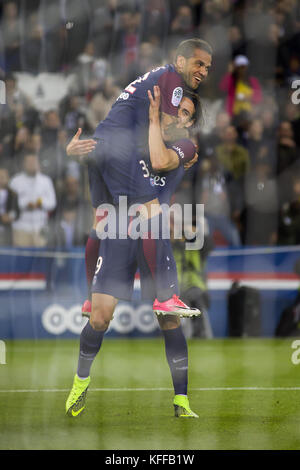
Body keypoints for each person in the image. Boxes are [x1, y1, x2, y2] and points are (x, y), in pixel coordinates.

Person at [65, 85, 202, 419]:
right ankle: (80, 383)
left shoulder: (186, 147)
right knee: (99, 318)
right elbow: (96, 176)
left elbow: (158, 160)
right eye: (176, 108)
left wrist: (154, 120)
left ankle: (181, 401)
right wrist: (76, 152)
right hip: (117, 232)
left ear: (188, 124)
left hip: (153, 235)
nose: (178, 116)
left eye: (186, 114)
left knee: (168, 320)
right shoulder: (126, 140)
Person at [9, 153, 56, 247]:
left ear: (38, 164)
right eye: (29, 162)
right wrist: (26, 204)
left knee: (40, 258)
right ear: (24, 164)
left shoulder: (46, 180)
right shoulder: (15, 181)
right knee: (22, 258)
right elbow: (10, 204)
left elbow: (52, 203)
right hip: (21, 227)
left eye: (34, 162)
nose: (32, 165)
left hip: (40, 228)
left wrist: (40, 203)